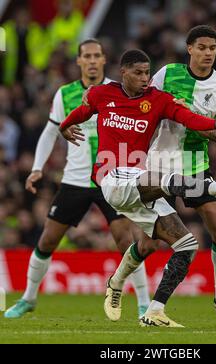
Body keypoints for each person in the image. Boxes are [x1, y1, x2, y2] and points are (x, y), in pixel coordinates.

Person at [59, 49, 216, 327]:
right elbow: (82, 110)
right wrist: (66, 126)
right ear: (123, 72)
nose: (145, 78)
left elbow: (189, 119)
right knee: (162, 178)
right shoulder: (102, 93)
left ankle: (152, 309)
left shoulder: (157, 100)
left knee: (186, 245)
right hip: (111, 177)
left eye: (147, 73)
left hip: (138, 180)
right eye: (138, 73)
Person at [4, 40, 150, 319]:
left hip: (112, 177)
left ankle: (144, 303)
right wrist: (37, 168)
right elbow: (50, 132)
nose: (93, 60)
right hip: (76, 179)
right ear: (80, 61)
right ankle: (28, 298)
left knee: (125, 241)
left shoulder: (119, 91)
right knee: (47, 240)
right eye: (87, 56)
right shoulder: (65, 93)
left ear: (104, 59)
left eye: (97, 55)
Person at [147, 25, 216, 322]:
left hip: (194, 165)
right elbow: (148, 111)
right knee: (148, 243)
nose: (207, 53)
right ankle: (116, 284)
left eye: (212, 48)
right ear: (189, 48)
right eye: (202, 47)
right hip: (159, 163)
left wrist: (187, 113)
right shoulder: (167, 74)